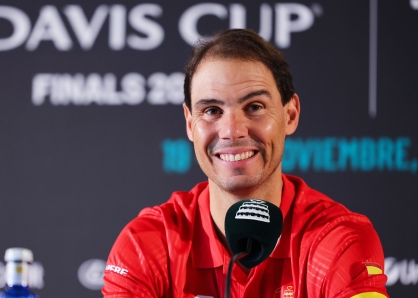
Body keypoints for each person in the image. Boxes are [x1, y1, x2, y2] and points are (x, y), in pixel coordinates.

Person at [102, 29, 389, 298]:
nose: (232, 130)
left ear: (290, 115)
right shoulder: (147, 242)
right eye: (212, 110)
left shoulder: (339, 240)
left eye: (254, 107)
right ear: (190, 124)